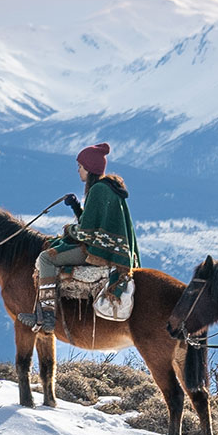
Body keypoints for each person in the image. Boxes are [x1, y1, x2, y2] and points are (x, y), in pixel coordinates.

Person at [18, 142, 140, 333]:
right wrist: (76, 207)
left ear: (89, 168)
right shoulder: (107, 188)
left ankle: (48, 316)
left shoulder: (98, 190)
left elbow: (87, 233)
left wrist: (69, 230)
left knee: (45, 258)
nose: (78, 171)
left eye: (80, 167)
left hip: (99, 251)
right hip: (110, 249)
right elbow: (93, 222)